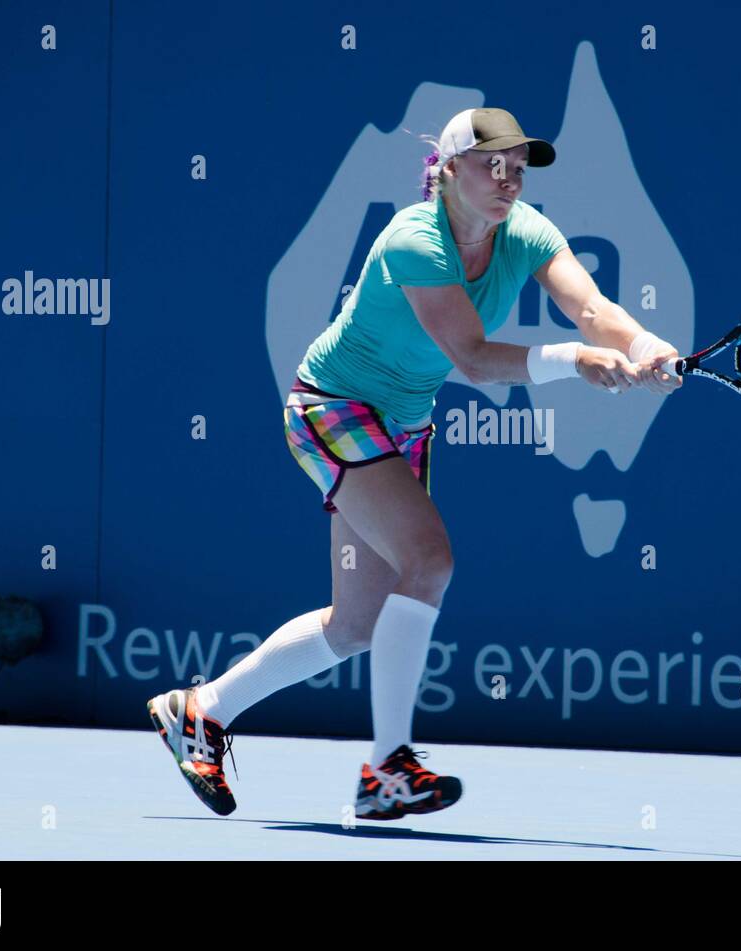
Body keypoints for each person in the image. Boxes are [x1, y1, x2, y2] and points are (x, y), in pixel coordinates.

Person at [147, 107, 682, 821]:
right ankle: (386, 770)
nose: (508, 181)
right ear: (449, 169)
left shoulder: (526, 234)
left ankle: (202, 708)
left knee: (357, 622)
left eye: (518, 168)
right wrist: (572, 362)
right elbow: (473, 358)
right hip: (332, 407)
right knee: (429, 558)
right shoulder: (414, 241)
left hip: (401, 423)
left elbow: (591, 307)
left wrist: (643, 345)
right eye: (494, 165)